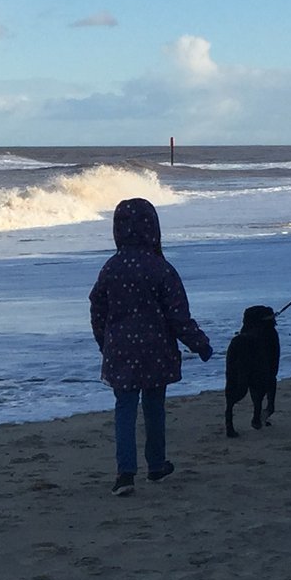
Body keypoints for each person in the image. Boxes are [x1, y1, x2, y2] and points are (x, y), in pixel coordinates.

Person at [88, 196, 212, 496]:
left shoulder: (111, 267)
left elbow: (97, 307)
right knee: (154, 407)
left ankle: (125, 473)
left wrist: (103, 341)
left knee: (125, 408)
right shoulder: (161, 268)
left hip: (120, 350)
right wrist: (200, 344)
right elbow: (178, 316)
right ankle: (156, 465)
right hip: (156, 350)